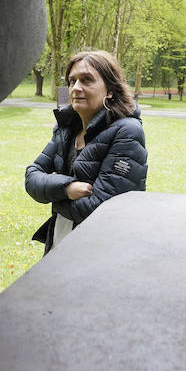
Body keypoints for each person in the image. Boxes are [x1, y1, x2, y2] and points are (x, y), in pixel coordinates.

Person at [25, 50, 148, 253]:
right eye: (72, 81)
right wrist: (66, 189)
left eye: (87, 80)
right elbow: (31, 177)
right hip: (59, 240)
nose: (76, 88)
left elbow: (101, 208)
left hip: (100, 249)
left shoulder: (127, 131)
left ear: (109, 90)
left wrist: (53, 194)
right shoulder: (66, 129)